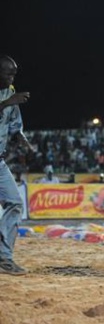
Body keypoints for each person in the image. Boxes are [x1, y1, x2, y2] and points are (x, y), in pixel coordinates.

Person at [0, 55, 34, 275]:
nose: (12, 78)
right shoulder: (8, 98)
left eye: (14, 74)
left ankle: (4, 258)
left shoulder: (10, 92)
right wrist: (5, 103)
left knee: (15, 202)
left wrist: (21, 138)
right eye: (8, 73)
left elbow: (14, 126)